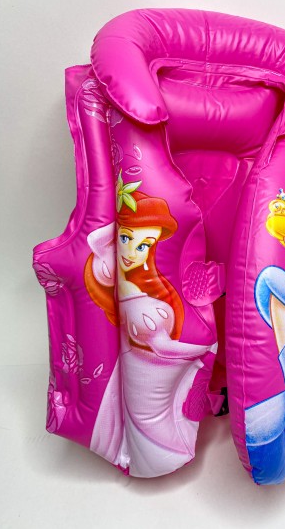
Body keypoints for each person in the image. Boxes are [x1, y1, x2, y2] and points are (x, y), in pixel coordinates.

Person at [84, 178, 214, 477]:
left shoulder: (138, 287)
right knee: (152, 439)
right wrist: (206, 350)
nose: (132, 252)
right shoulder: (132, 294)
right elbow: (162, 347)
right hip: (146, 376)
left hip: (146, 374)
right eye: (126, 238)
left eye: (144, 245)